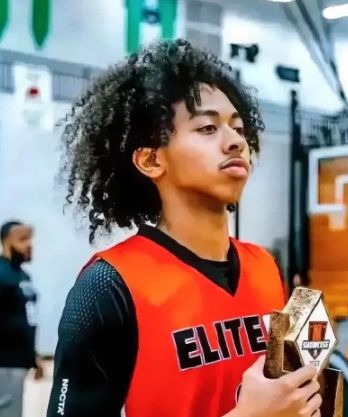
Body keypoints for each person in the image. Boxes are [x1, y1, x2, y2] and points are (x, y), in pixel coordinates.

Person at [47, 40, 322, 417]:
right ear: (151, 160)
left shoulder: (264, 266)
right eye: (208, 128)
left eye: (238, 128)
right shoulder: (108, 285)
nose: (235, 141)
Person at [0, 221, 42, 417]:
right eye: (22, 239)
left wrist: (33, 357)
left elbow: (26, 318)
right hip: (3, 363)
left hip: (18, 362)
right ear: (7, 242)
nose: (29, 245)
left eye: (29, 239)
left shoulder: (24, 276)